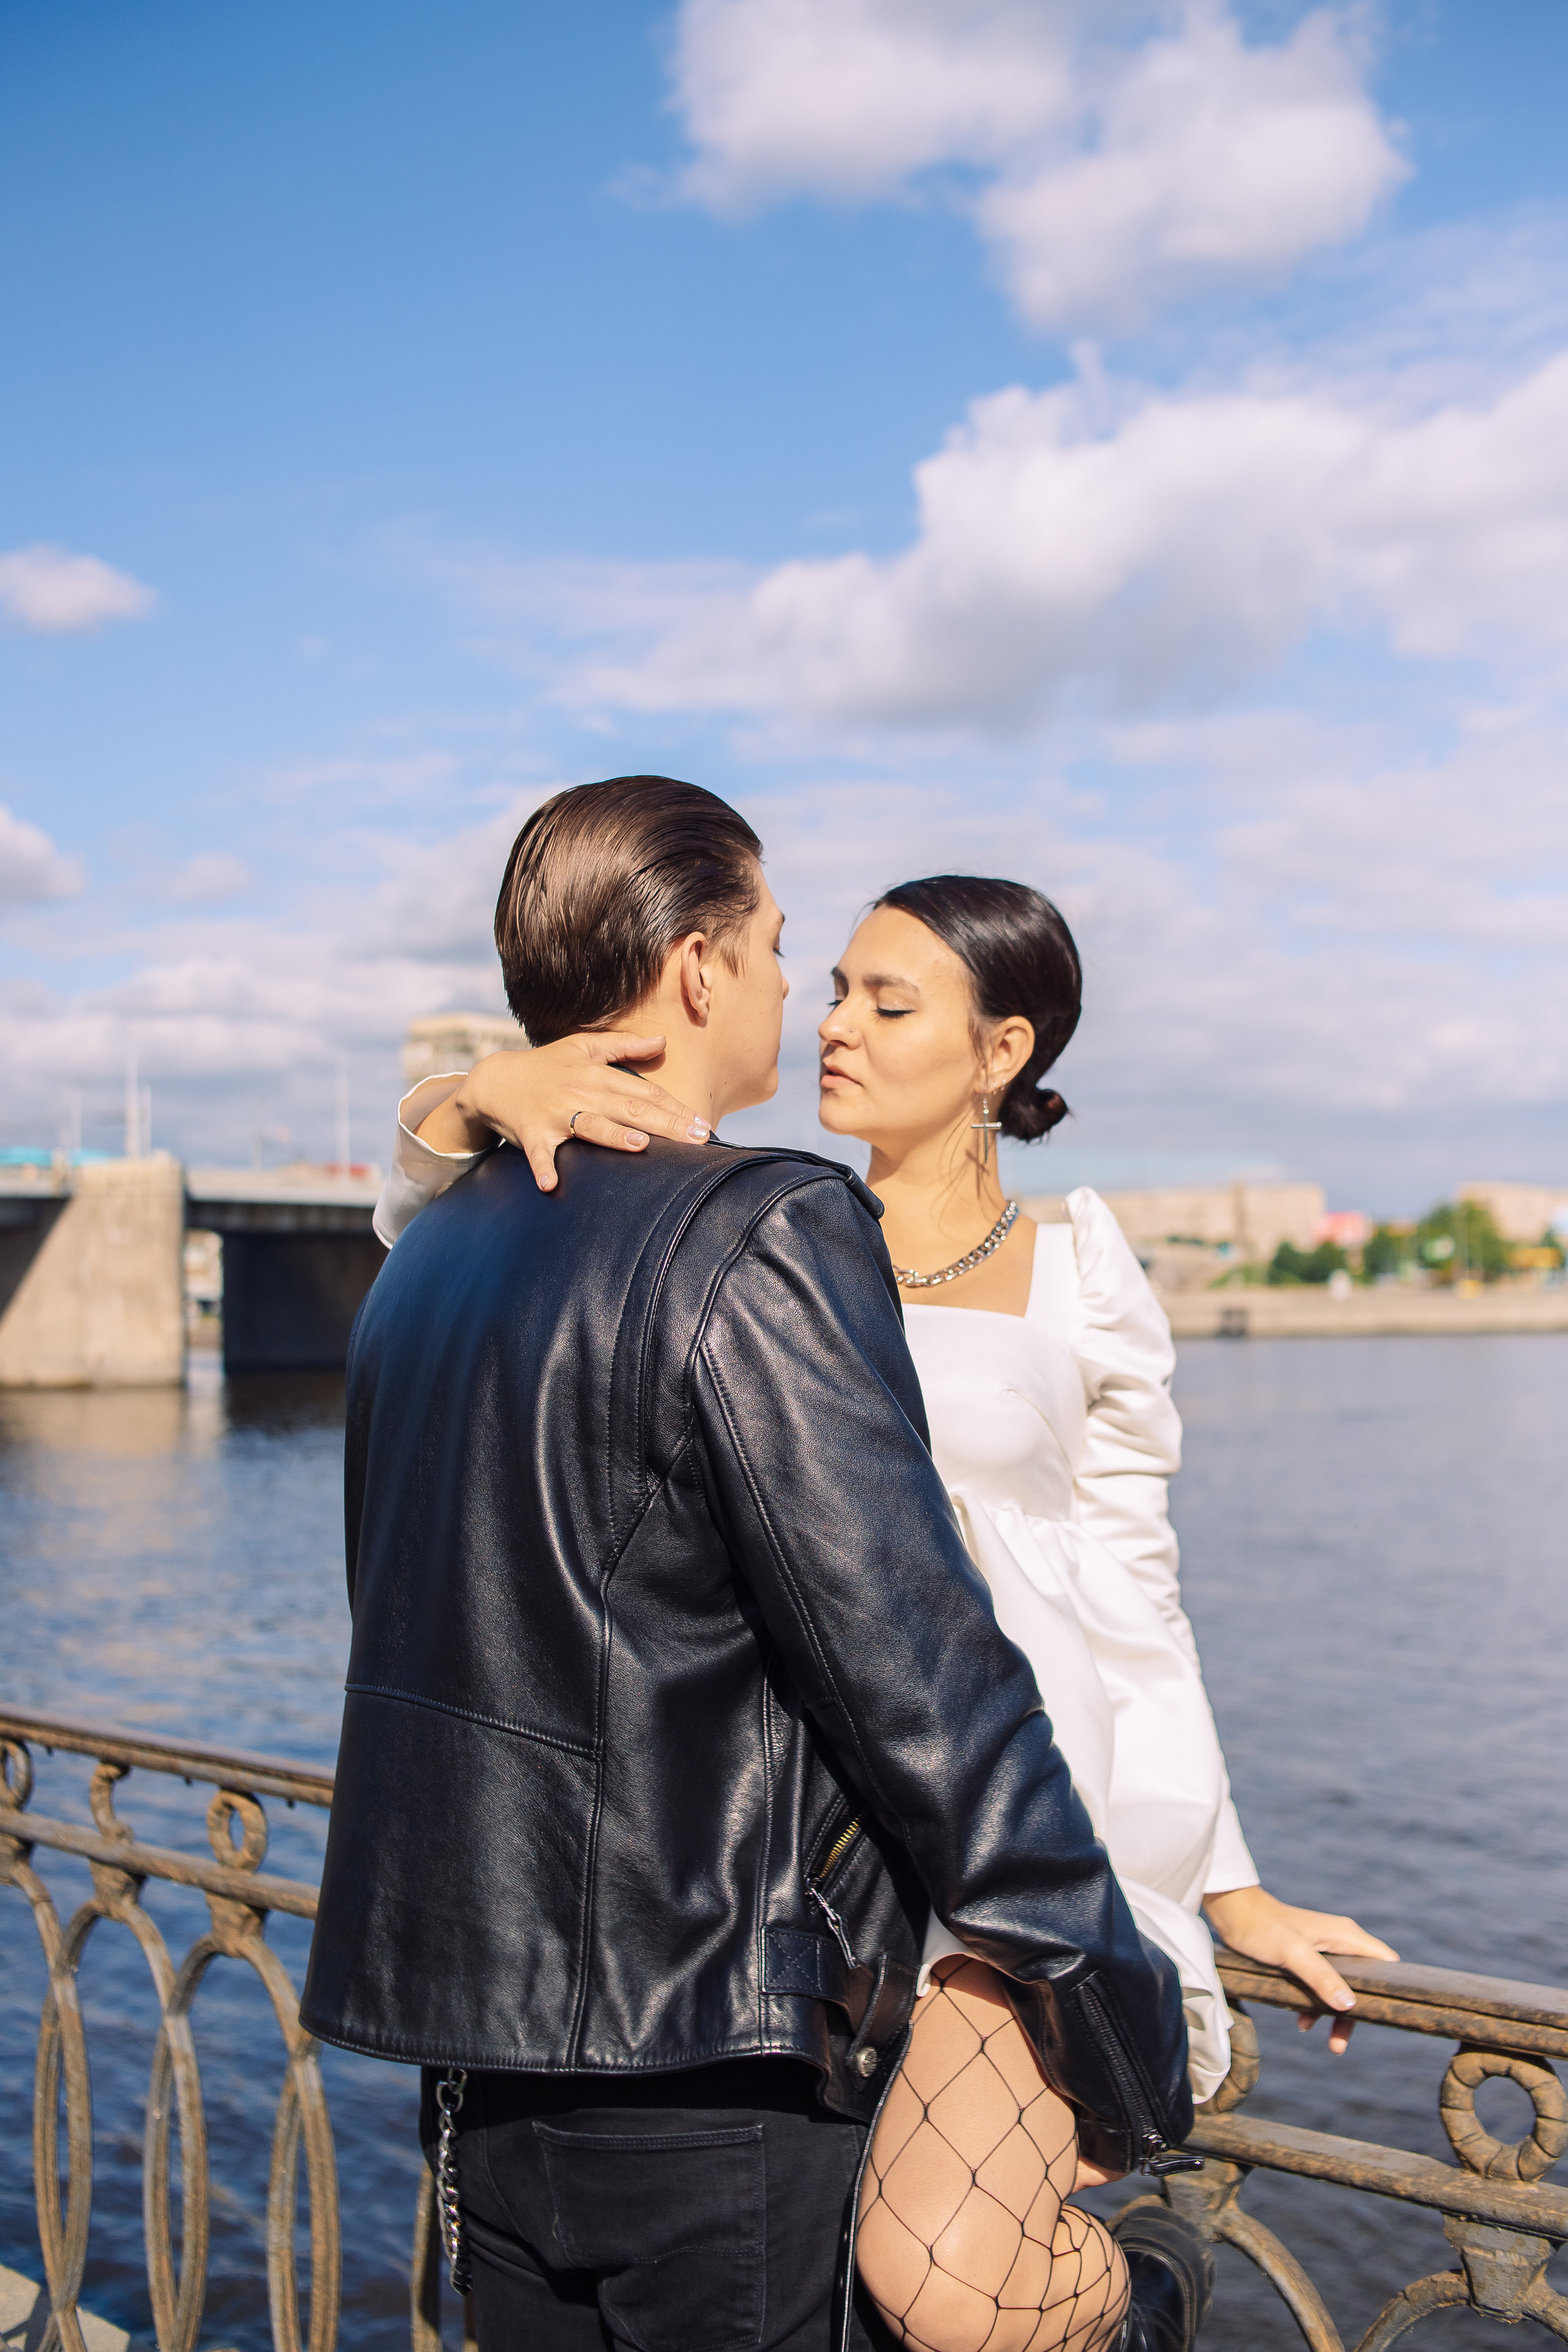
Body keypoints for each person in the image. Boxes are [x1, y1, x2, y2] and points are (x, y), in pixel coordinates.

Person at [302, 776, 1197, 2352]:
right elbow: (921, 1676)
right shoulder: (765, 1229)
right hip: (706, 2064)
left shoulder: (426, 1257)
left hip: (481, 2064)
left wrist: (448, 1102)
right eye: (781, 944)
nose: (796, 988)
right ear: (701, 969)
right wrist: (1116, 2012)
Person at [382, 877, 1396, 2095]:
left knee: (949, 2267)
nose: (834, 1024)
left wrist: (1228, 1889)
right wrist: (474, 1090)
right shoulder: (761, 1234)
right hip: (798, 1855)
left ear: (998, 1052)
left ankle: (1146, 2287)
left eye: (887, 1002)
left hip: (1012, 1838)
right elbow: (431, 1227)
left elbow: (1135, 1600)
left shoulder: (1078, 1276)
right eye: (831, 990)